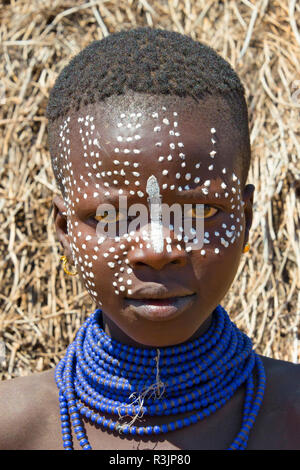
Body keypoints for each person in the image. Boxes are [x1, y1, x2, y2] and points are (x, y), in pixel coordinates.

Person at [0, 27, 299, 451]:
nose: (158, 251)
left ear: (246, 219)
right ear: (66, 232)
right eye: (112, 216)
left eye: (200, 211)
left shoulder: (290, 416)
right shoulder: (13, 429)